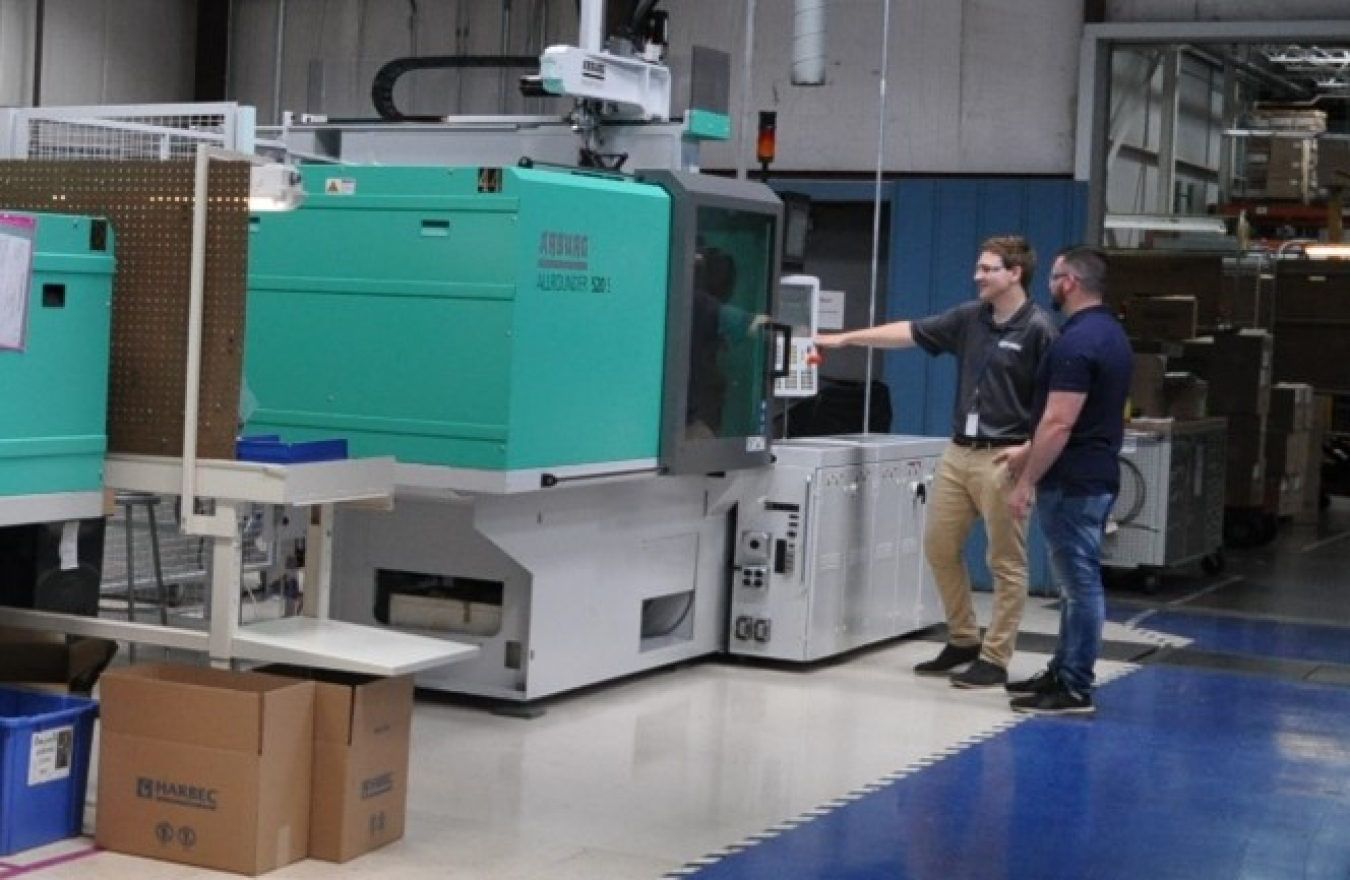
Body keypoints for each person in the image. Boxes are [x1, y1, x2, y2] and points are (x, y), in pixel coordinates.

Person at [814, 235, 1058, 688]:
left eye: (987, 269)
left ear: (1014, 274)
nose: (977, 276)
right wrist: (847, 338)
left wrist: (1031, 459)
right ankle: (963, 637)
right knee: (939, 547)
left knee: (1006, 562)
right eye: (978, 267)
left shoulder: (1041, 330)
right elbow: (909, 331)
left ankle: (995, 656)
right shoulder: (970, 319)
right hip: (959, 452)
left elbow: (1054, 407)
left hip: (1006, 457)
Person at [999, 245, 1132, 715]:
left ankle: (1075, 685)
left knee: (1079, 586)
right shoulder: (1109, 333)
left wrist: (1025, 481)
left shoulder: (1075, 343)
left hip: (1073, 481)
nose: (1049, 285)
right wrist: (1026, 451)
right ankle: (1062, 670)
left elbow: (1059, 423)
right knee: (1075, 586)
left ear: (1069, 282)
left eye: (1054, 276)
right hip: (1091, 475)